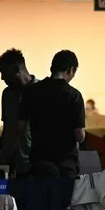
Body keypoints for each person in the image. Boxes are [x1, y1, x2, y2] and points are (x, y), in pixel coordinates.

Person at [17, 50, 86, 178]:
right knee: (64, 196)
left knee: (40, 196)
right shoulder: (73, 95)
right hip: (65, 163)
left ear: (52, 68)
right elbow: (79, 136)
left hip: (39, 160)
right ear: (71, 70)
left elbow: (21, 127)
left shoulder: (31, 91)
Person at [0, 49, 38, 176]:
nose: (2, 78)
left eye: (4, 73)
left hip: (35, 164)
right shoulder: (7, 94)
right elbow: (7, 128)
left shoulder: (42, 92)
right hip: (11, 164)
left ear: (17, 69)